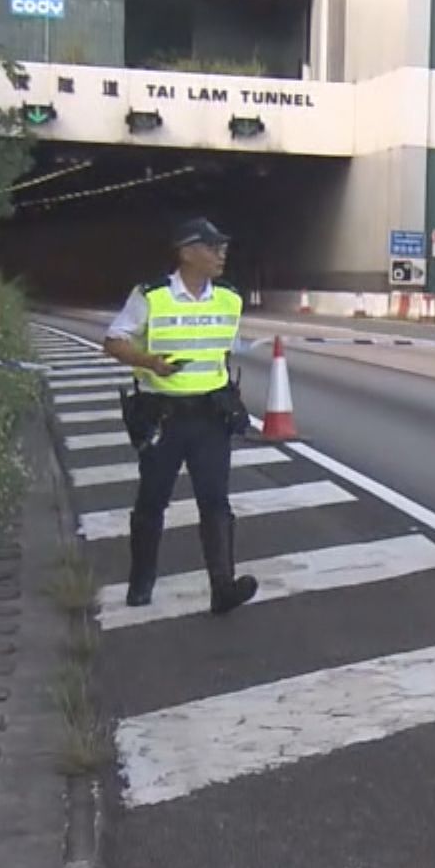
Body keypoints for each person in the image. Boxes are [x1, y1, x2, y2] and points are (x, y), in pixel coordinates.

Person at [102, 216, 259, 614]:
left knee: (216, 501)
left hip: (211, 416)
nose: (221, 254)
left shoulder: (230, 298)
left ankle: (223, 588)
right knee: (152, 500)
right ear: (187, 252)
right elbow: (114, 342)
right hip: (163, 417)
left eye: (223, 247)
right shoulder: (151, 295)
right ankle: (141, 582)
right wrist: (150, 362)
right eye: (212, 247)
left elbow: (222, 352)